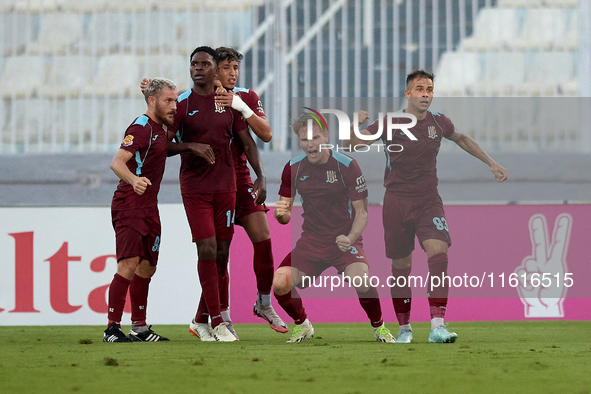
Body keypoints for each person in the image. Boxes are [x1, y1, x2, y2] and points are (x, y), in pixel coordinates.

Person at [344, 70, 508, 343]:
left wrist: (491, 162)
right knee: (401, 266)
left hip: (428, 200)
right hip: (396, 201)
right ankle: (405, 328)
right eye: (420, 89)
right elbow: (353, 144)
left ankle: (437, 325)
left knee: (439, 253)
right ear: (408, 94)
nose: (425, 94)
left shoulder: (439, 122)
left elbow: (462, 138)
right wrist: (354, 124)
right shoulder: (389, 122)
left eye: (429, 89)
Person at [166, 46, 265, 342]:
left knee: (222, 254)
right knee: (207, 250)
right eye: (193, 64)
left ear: (214, 69)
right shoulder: (181, 104)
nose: (197, 68)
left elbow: (247, 141)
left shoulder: (228, 101)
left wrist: (260, 175)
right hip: (196, 189)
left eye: (204, 64)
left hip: (227, 187)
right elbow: (164, 145)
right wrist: (189, 146)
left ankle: (200, 321)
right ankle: (219, 320)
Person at [272, 113, 396, 343]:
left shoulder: (346, 165)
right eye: (304, 139)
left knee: (362, 281)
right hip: (311, 243)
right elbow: (284, 212)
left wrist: (350, 238)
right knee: (280, 283)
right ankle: (303, 325)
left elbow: (362, 214)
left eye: (315, 137)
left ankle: (379, 327)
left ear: (326, 136)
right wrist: (281, 215)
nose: (310, 144)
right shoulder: (293, 168)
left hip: (345, 241)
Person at [104, 78, 178, 342]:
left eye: (175, 100)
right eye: (168, 100)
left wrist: (152, 93)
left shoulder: (162, 126)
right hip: (129, 203)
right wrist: (134, 180)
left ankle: (139, 327)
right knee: (129, 264)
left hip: (149, 206)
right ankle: (112, 327)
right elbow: (117, 162)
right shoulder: (141, 126)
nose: (174, 106)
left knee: (147, 267)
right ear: (152, 101)